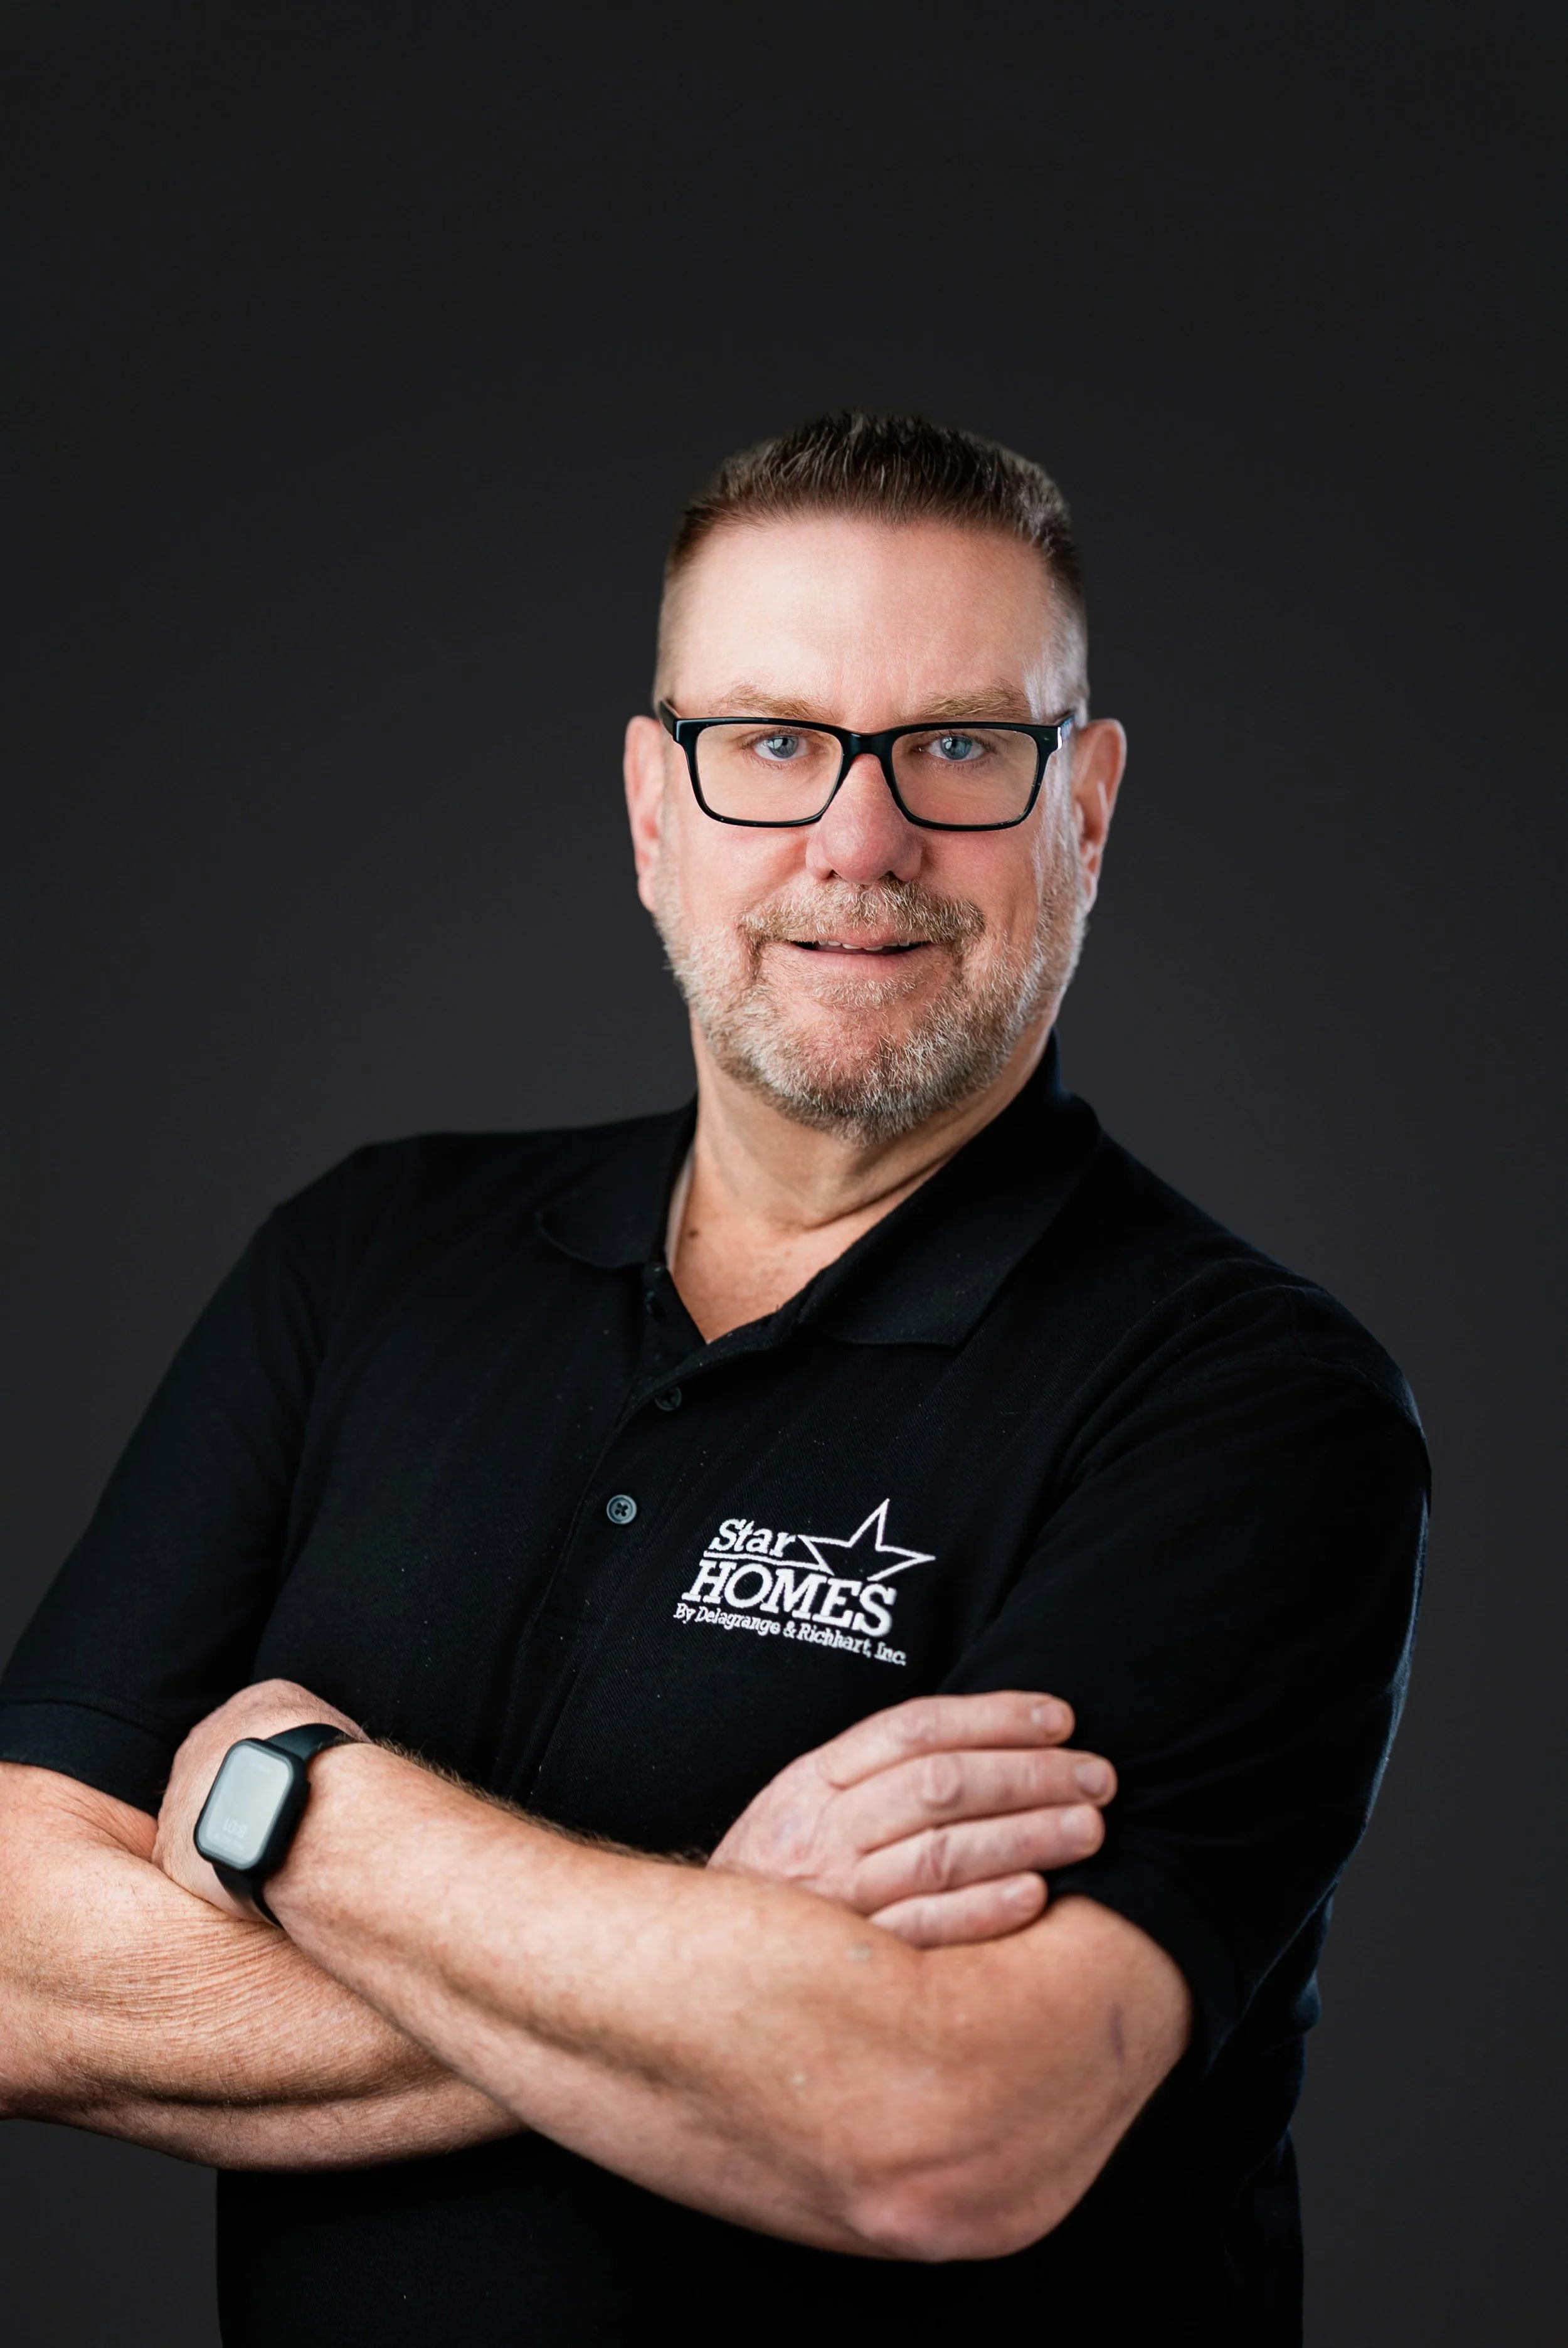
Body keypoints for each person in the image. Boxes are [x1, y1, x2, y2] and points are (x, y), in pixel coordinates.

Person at [0, 412, 1426, 2345]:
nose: (858, 840)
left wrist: (293, 1802)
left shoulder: (1248, 1402)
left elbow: (938, 2122)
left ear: (1082, 807)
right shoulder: (369, 1257)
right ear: (650, 807)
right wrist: (728, 1932)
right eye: (768, 743)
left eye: (958, 748)